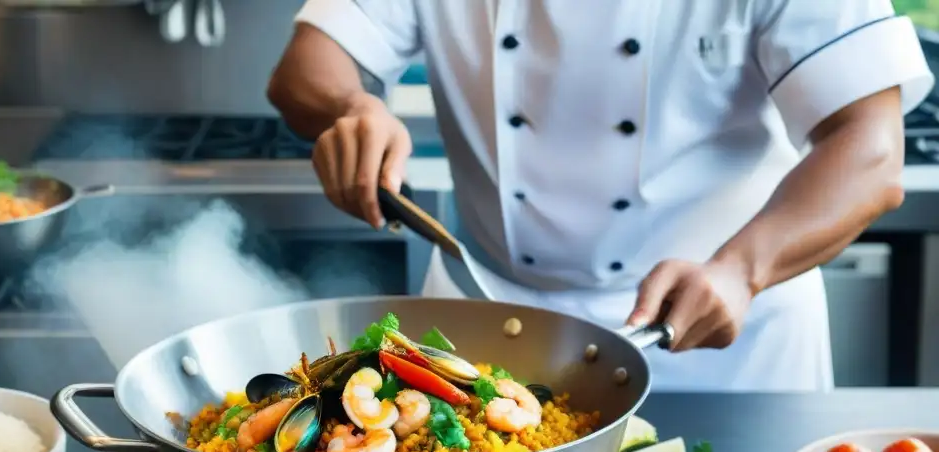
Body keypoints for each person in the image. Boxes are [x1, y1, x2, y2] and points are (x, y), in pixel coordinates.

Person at [267, 0, 934, 391]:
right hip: (485, 319)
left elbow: (870, 150)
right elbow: (306, 68)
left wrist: (743, 268)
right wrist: (350, 107)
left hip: (717, 336)